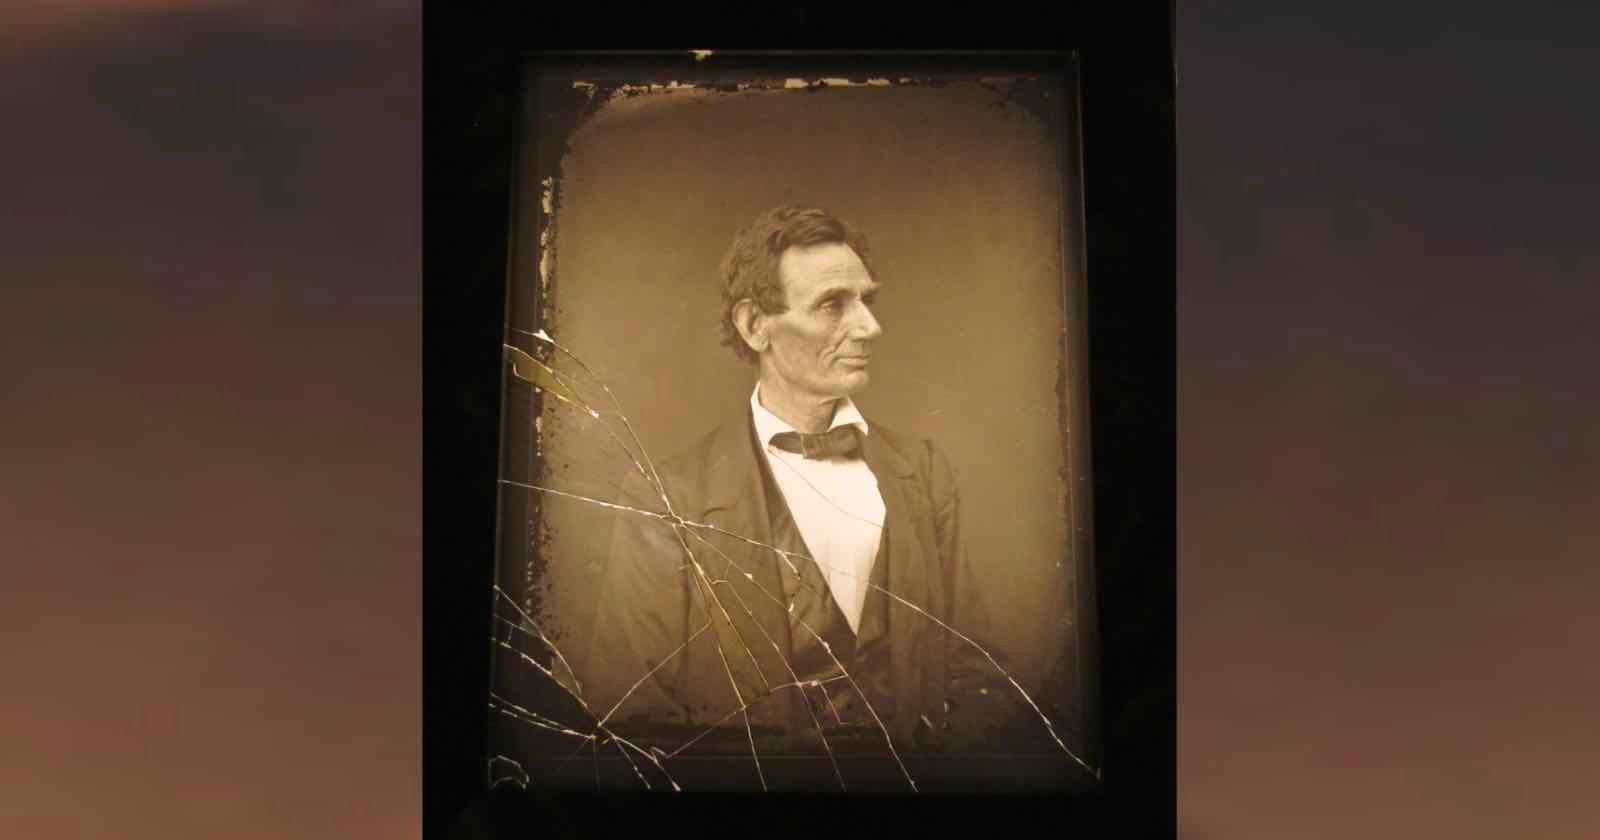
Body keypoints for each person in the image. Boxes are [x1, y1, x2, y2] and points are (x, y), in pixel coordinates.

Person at [580, 206, 1016, 772]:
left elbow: (978, 672)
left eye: (867, 301)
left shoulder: (922, 471)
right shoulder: (666, 495)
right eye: (833, 304)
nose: (869, 327)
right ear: (754, 325)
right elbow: (633, 717)